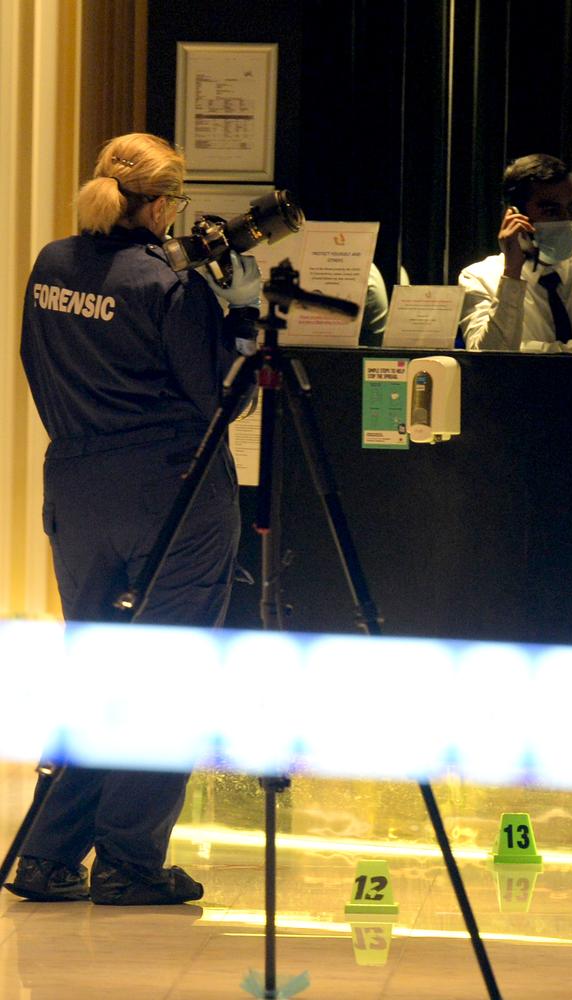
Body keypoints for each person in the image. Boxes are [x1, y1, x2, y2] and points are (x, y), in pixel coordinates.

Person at [5, 133, 262, 906]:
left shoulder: (52, 264)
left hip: (78, 491)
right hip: (172, 497)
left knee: (95, 671)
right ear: (158, 204)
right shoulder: (166, 286)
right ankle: (130, 861)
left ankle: (48, 856)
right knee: (167, 674)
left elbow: (30, 357)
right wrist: (243, 320)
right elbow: (221, 396)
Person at [458, 153, 572, 353]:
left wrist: (526, 351)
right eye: (551, 211)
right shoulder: (479, 278)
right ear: (516, 216)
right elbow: (492, 358)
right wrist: (512, 274)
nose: (568, 221)